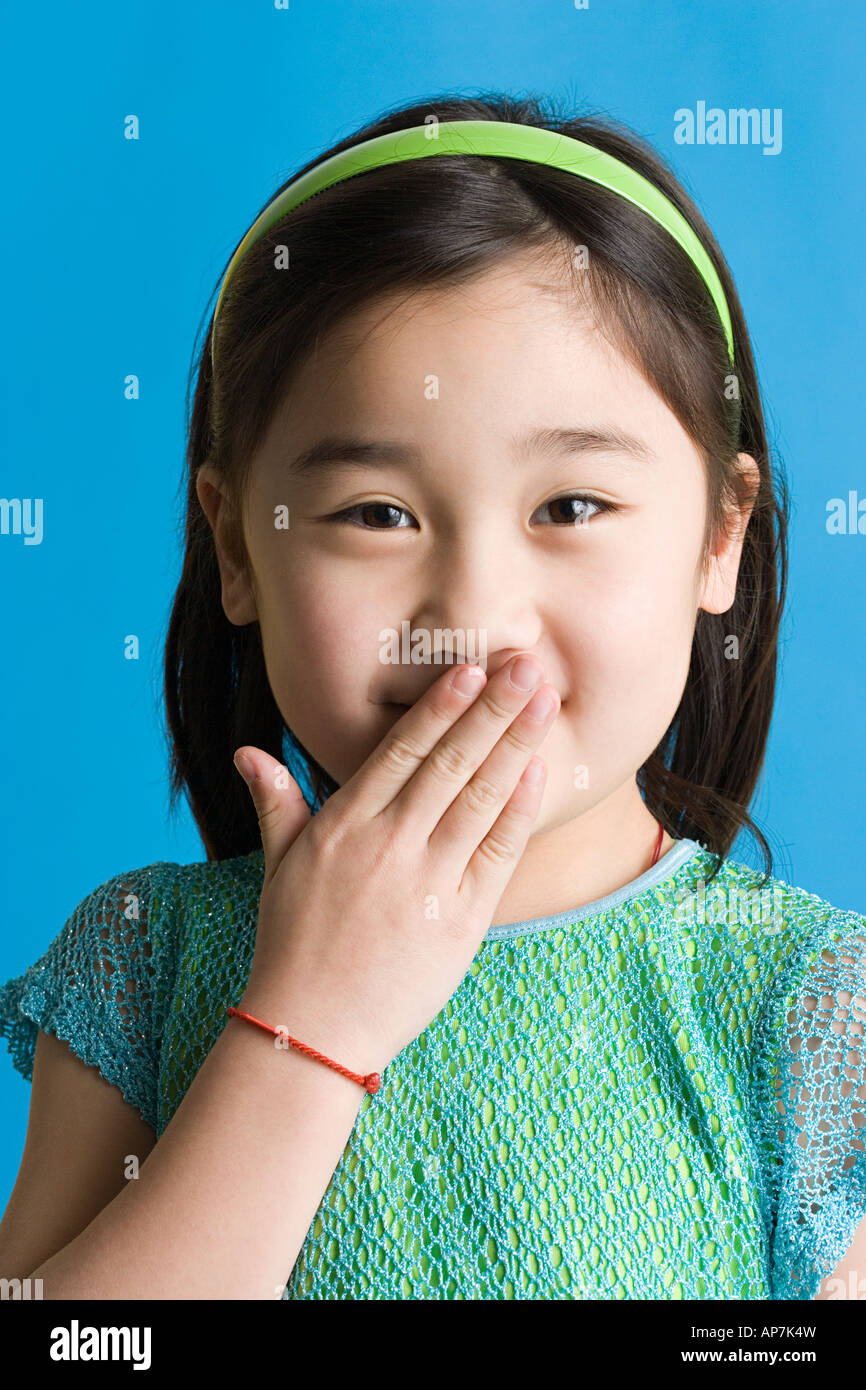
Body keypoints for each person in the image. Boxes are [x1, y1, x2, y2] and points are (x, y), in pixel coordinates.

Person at [0, 91, 864, 1301]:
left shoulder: (807, 1008)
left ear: (718, 536)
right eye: (375, 514)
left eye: (570, 506)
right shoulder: (145, 960)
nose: (473, 613)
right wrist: (306, 1026)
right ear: (237, 545)